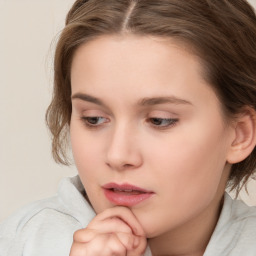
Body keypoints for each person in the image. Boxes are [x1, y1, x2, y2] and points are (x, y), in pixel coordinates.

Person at [1, 0, 256, 255]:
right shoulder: (27, 242)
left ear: (240, 135)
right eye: (94, 119)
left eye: (159, 120)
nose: (118, 155)